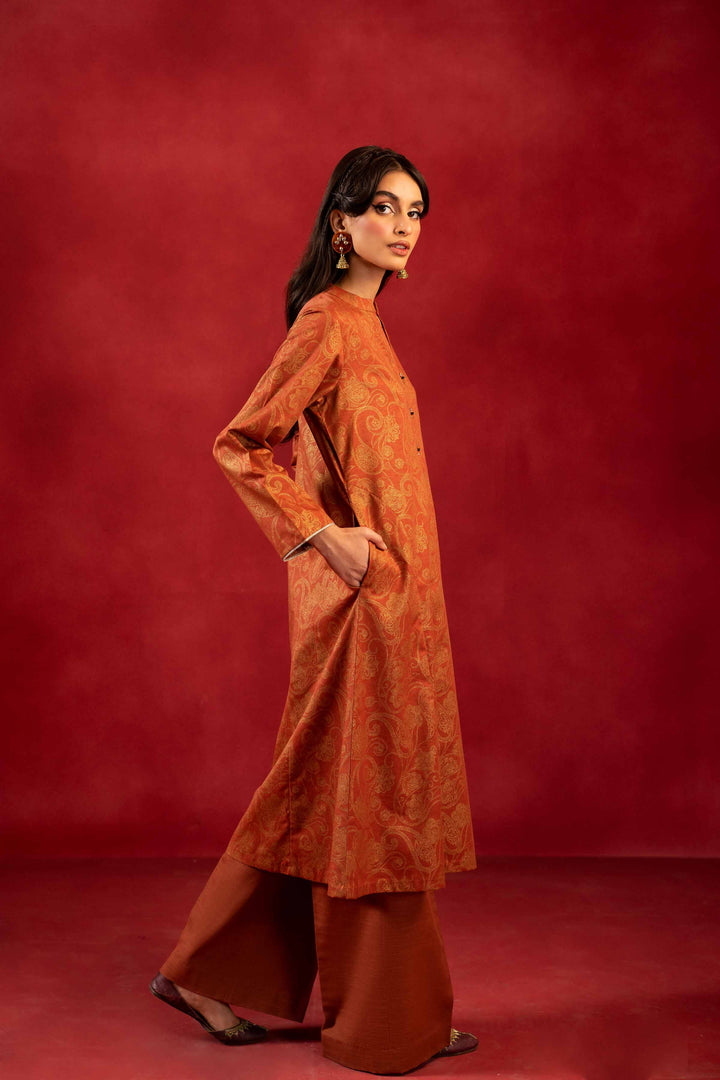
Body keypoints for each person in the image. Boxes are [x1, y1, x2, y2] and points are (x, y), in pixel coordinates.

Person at [150, 145, 478, 1074]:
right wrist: (324, 536)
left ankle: (203, 970)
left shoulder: (369, 326)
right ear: (342, 222)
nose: (403, 226)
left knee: (324, 788)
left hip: (398, 606)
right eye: (383, 207)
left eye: (415, 210)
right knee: (373, 801)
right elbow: (243, 443)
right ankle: (390, 1023)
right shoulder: (328, 321)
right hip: (357, 605)